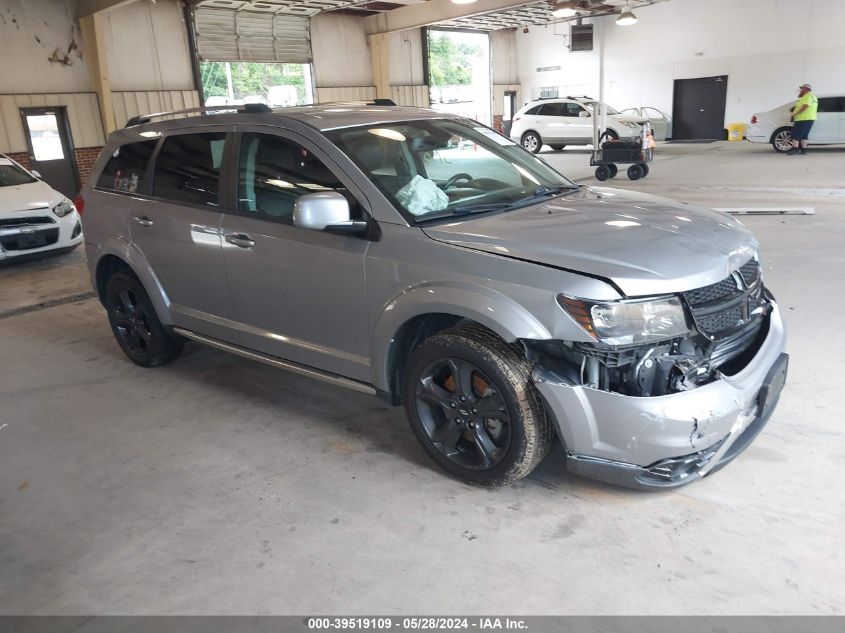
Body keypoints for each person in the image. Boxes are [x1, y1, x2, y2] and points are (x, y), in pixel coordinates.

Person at [787, 83, 818, 155]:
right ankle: (803, 150)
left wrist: (795, 113)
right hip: (809, 118)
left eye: (802, 89)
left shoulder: (807, 96)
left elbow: (806, 106)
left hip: (802, 119)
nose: (800, 90)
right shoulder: (813, 97)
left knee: (795, 134)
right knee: (804, 135)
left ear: (807, 89)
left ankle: (795, 150)